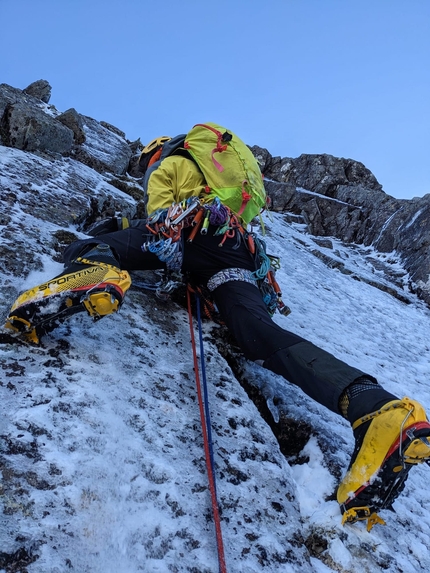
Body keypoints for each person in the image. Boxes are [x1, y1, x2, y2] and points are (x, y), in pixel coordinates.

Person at [5, 132, 430, 532]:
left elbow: (160, 219)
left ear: (158, 152)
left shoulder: (171, 161)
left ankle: (94, 271)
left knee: (96, 245)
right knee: (257, 333)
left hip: (192, 228)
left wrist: (135, 241)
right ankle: (376, 408)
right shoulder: (225, 185)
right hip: (233, 251)